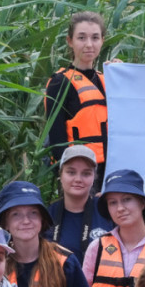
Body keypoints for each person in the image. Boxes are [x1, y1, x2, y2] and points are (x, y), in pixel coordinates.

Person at [44, 11, 109, 181]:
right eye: (81, 38)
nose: (89, 44)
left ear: (102, 40)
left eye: (95, 38)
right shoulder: (60, 82)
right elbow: (56, 137)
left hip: (110, 171)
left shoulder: (108, 80)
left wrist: (122, 73)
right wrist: (68, 176)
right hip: (80, 174)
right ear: (70, 41)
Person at [47, 144, 113, 258]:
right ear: (61, 175)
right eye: (71, 172)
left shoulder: (106, 210)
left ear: (94, 177)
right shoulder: (48, 215)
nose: (78, 179)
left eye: (86, 173)